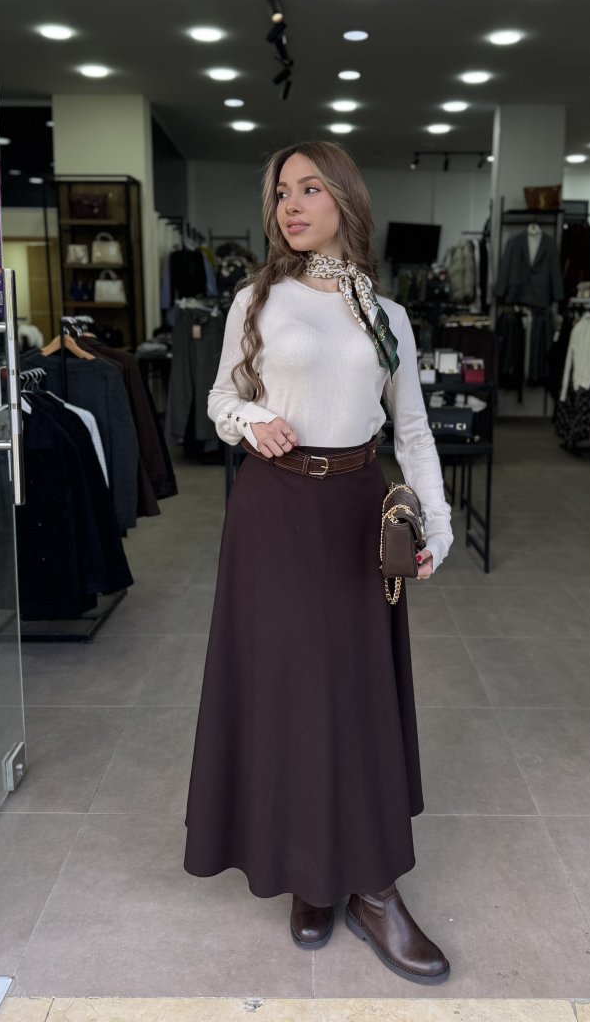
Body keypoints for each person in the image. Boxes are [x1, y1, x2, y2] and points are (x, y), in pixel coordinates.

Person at [184, 141, 454, 985]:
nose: (290, 205)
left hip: (356, 512)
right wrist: (249, 422)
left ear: (344, 198)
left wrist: (437, 526)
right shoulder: (257, 299)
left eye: (308, 189)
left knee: (356, 695)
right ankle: (309, 873)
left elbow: (412, 429)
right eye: (280, 193)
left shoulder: (385, 314)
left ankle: (373, 888)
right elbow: (220, 396)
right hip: (274, 512)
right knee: (289, 691)